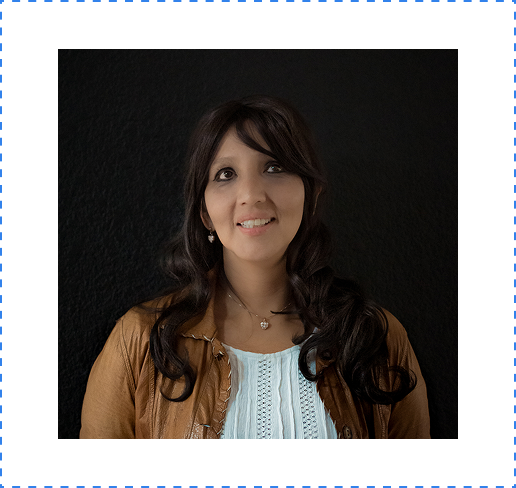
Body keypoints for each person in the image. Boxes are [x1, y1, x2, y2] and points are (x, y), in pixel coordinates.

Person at [80, 95, 430, 439]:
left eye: (274, 167)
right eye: (226, 174)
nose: (251, 194)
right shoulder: (139, 341)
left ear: (311, 195)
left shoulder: (374, 337)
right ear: (205, 213)